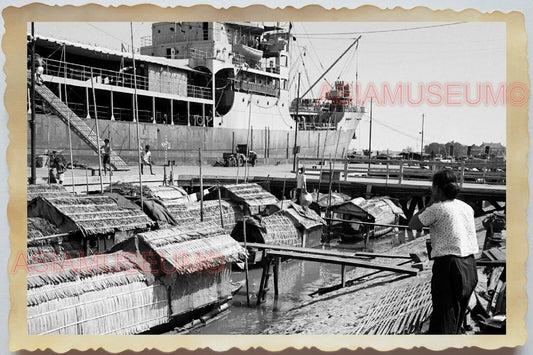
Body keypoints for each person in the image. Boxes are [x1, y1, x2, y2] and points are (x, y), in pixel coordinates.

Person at [409, 169, 479, 334]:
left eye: (433, 187)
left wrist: (430, 202)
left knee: (443, 318)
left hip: (449, 266)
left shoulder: (437, 208)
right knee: (457, 316)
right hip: (469, 264)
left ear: (437, 189)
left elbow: (413, 224)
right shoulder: (466, 207)